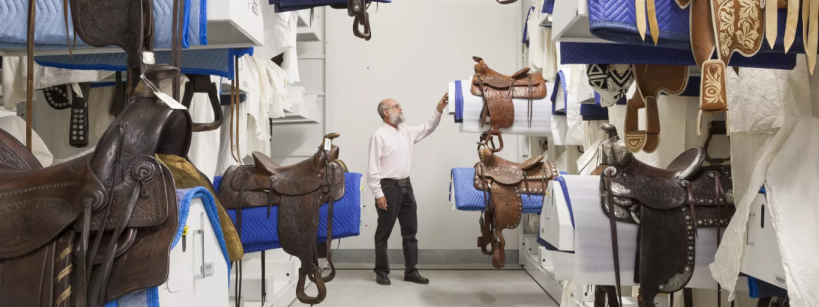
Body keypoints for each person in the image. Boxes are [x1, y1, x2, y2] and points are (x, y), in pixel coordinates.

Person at [366, 94, 448, 285]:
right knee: (383, 233)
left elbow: (428, 127)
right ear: (386, 112)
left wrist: (438, 109)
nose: (400, 108)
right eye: (396, 106)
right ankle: (381, 272)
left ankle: (411, 272)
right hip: (388, 188)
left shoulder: (406, 132)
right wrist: (378, 194)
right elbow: (373, 168)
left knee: (410, 232)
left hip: (406, 186)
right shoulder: (379, 135)